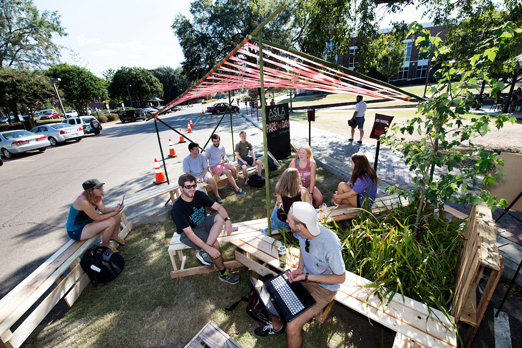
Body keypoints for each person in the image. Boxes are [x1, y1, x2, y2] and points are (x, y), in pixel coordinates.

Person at [254, 201, 346, 348]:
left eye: (289, 220)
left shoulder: (330, 244)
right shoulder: (301, 232)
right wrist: (300, 268)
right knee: (270, 290)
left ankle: (286, 326)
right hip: (306, 276)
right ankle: (277, 326)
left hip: (324, 288)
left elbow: (340, 278)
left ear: (300, 225)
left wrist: (306, 277)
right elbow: (304, 248)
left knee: (292, 326)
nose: (286, 221)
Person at [170, 173, 240, 284]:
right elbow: (190, 234)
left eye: (194, 186)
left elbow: (218, 206)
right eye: (188, 187)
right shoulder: (177, 208)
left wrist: (228, 220)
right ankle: (223, 273)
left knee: (219, 217)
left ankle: (203, 252)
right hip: (190, 232)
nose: (192, 189)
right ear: (181, 188)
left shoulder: (199, 195)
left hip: (203, 222)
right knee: (215, 245)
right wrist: (209, 248)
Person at [66, 179, 125, 250]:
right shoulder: (83, 202)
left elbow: (103, 209)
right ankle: (106, 245)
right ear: (90, 191)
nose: (101, 189)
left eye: (101, 187)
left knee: (117, 215)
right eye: (98, 188)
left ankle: (114, 236)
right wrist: (113, 213)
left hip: (88, 223)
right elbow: (97, 218)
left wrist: (116, 208)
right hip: (77, 230)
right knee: (110, 222)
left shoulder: (95, 196)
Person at [260, 168, 311, 234]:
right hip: (296, 223)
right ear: (297, 178)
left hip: (281, 220)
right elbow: (309, 206)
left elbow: (278, 201)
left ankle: (272, 221)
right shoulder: (302, 191)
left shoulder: (280, 189)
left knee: (276, 207)